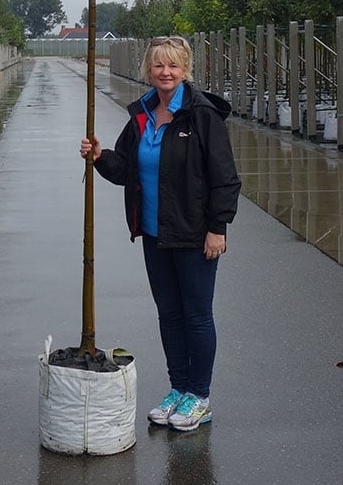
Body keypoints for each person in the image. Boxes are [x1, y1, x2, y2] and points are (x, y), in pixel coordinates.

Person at [80, 35, 241, 432]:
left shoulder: (202, 116)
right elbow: (126, 170)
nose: (165, 73)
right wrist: (100, 157)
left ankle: (200, 397)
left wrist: (217, 229)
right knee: (169, 314)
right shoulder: (142, 115)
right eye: (158, 66)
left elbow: (225, 179)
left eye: (173, 66)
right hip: (154, 234)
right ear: (148, 70)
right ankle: (178, 388)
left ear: (185, 70)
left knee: (196, 315)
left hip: (194, 235)